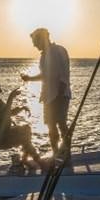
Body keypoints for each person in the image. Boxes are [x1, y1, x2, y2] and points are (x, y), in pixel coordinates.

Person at [19, 27, 72, 158]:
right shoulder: (44, 55)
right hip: (48, 96)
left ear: (42, 39)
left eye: (35, 42)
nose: (34, 45)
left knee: (61, 124)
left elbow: (64, 74)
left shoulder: (58, 51)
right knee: (51, 126)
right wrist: (30, 78)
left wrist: (60, 93)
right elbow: (45, 75)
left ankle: (66, 153)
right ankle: (56, 153)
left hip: (59, 95)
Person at [0, 80, 40, 172]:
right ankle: (34, 160)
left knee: (26, 129)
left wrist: (22, 108)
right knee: (24, 136)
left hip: (4, 134)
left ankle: (25, 160)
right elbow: (4, 114)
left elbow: (9, 113)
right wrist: (11, 97)